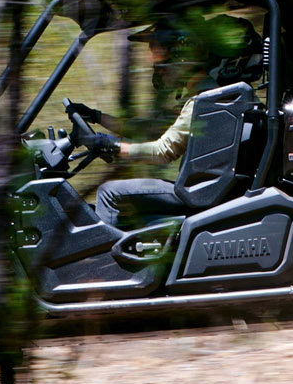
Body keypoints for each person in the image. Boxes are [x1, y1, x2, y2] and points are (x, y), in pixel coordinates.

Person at [72, 13, 254, 227]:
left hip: (196, 195)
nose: (155, 64)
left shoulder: (205, 102)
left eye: (159, 55)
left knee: (108, 193)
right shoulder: (214, 98)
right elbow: (149, 129)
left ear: (181, 56)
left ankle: (103, 258)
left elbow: (162, 151)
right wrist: (96, 116)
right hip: (207, 191)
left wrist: (112, 146)